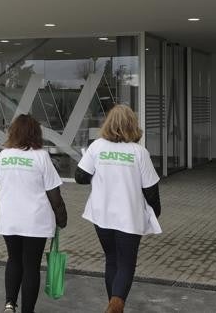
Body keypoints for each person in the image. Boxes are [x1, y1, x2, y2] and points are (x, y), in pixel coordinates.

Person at [75, 104, 162, 313]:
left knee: (111, 260)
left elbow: (80, 177)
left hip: (101, 216)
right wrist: (155, 213)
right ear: (133, 124)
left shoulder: (97, 147)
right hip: (129, 218)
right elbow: (151, 190)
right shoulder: (139, 152)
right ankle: (115, 307)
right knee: (126, 264)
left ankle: (112, 306)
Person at [0, 114, 67, 313]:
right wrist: (62, 218)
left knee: (13, 259)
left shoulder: (4, 156)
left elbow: (2, 183)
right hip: (35, 221)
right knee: (31, 266)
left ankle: (10, 304)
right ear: (36, 133)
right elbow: (54, 194)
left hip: (9, 219)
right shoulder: (41, 157)